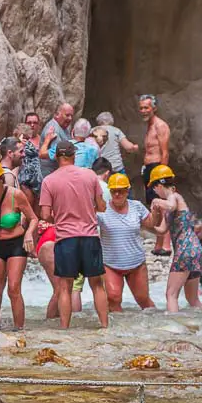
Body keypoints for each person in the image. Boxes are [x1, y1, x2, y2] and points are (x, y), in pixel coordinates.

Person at [32, 140, 108, 329]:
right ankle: (105, 326)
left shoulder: (49, 181)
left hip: (65, 238)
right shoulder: (90, 175)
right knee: (97, 285)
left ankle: (65, 329)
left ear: (57, 157)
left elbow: (45, 215)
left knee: (65, 287)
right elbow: (101, 206)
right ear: (74, 155)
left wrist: (59, 212)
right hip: (90, 236)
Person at [0, 160, 39, 329]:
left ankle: (19, 330)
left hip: (16, 244)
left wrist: (28, 234)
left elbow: (34, 218)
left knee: (13, 288)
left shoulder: (16, 195)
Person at [145, 165, 202, 313]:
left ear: (159, 185)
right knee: (193, 299)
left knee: (171, 295)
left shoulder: (174, 196)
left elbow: (171, 206)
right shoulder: (170, 205)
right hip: (195, 251)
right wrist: (145, 225)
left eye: (154, 188)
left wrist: (157, 202)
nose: (154, 192)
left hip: (184, 251)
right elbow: (162, 230)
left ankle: (174, 325)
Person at [97, 174, 155, 312]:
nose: (117, 194)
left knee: (143, 299)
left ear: (127, 191)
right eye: (114, 191)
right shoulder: (102, 210)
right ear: (109, 191)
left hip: (136, 263)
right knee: (113, 297)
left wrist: (158, 213)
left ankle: (156, 326)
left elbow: (152, 224)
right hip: (111, 264)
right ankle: (119, 329)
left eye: (121, 190)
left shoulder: (137, 206)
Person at [70, 157, 114, 311]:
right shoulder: (106, 189)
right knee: (98, 284)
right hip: (94, 235)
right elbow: (107, 213)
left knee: (75, 285)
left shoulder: (79, 184)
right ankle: (105, 317)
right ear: (107, 173)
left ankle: (76, 317)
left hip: (74, 234)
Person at [139, 94, 172, 256]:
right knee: (155, 206)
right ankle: (159, 243)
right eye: (141, 108)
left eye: (146, 107)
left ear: (154, 108)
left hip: (158, 168)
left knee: (163, 206)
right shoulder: (149, 127)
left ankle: (166, 244)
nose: (143, 111)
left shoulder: (160, 126)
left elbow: (165, 152)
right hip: (150, 168)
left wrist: (162, 174)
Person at [95, 111, 139, 177]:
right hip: (116, 167)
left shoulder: (93, 131)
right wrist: (135, 147)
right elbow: (128, 147)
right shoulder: (116, 131)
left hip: (100, 169)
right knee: (123, 186)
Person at [39, 103, 74, 177]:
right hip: (50, 173)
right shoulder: (53, 128)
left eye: (71, 116)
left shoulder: (64, 126)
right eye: (67, 115)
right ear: (57, 115)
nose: (70, 118)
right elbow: (60, 154)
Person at [14, 122, 42, 207]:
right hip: (27, 180)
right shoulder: (13, 145)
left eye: (27, 138)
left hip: (30, 180)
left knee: (29, 206)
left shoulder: (28, 146)